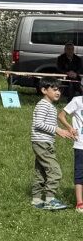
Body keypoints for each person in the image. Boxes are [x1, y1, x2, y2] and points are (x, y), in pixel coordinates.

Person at [29, 81, 74, 211]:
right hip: (42, 143)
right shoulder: (43, 105)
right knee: (55, 172)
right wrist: (57, 130)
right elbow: (38, 124)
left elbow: (47, 126)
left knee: (41, 171)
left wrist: (61, 131)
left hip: (44, 142)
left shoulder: (50, 106)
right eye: (54, 89)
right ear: (44, 90)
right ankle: (49, 200)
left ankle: (37, 200)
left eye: (59, 90)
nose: (58, 92)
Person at [63, 87, 83, 211]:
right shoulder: (77, 101)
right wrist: (69, 127)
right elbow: (61, 115)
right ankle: (80, 203)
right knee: (80, 173)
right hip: (80, 144)